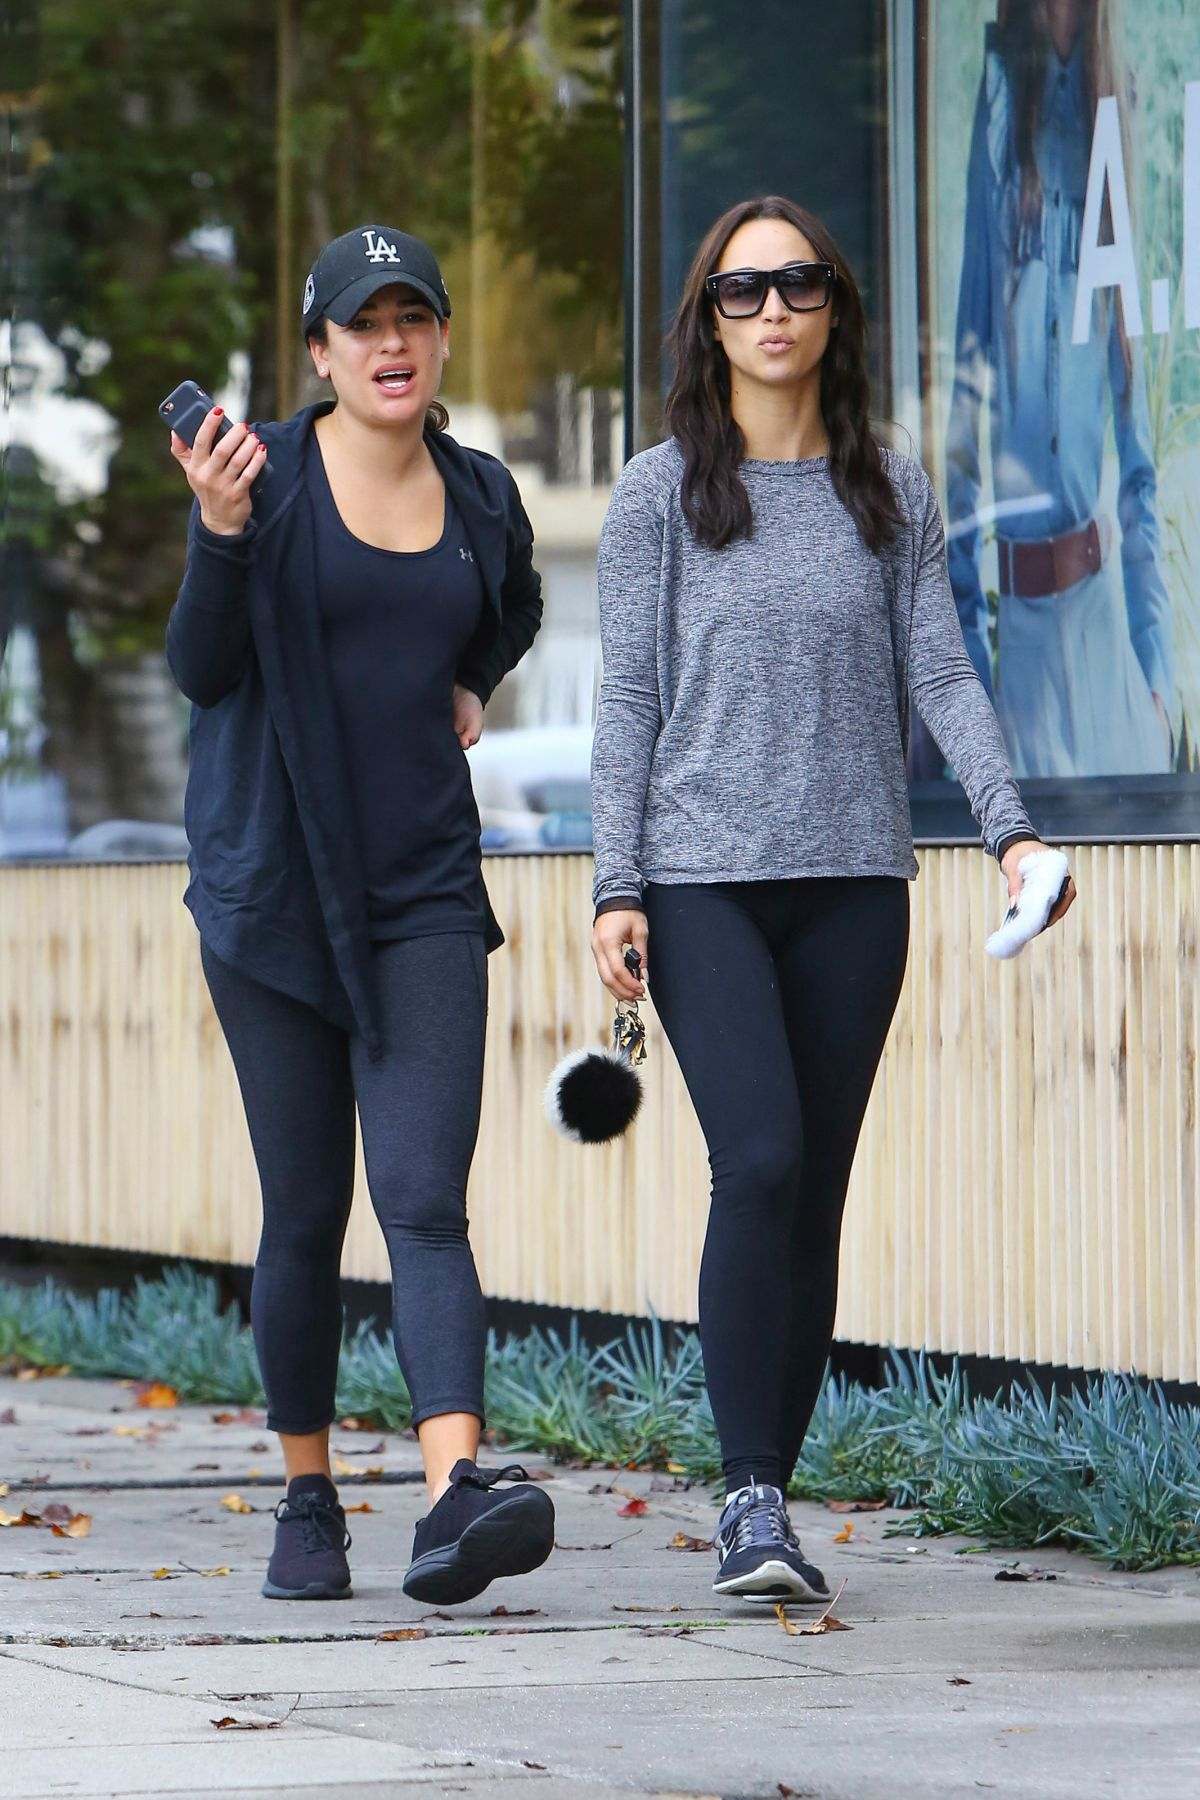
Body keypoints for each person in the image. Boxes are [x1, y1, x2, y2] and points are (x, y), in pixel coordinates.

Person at [589, 195, 1076, 1604]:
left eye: (799, 285)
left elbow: (941, 676)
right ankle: (745, 1499)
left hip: (859, 882)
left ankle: (773, 1497)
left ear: (834, 309)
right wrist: (615, 884)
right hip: (701, 883)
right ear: (710, 320)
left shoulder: (892, 486)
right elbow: (626, 699)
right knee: (760, 1160)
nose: (775, 310)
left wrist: (1014, 834)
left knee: (817, 1195)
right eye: (743, 292)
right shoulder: (656, 492)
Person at [166, 224, 554, 1607]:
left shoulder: (484, 495)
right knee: (303, 1210)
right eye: (363, 324)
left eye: (415, 319)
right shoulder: (258, 485)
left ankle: (454, 1495)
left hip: (425, 894)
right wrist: (216, 536)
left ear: (439, 343)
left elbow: (513, 609)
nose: (392, 344)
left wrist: (473, 683)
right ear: (320, 354)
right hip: (272, 894)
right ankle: (308, 1495)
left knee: (425, 1200)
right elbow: (200, 667)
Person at [946, 0, 1174, 777]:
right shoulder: (999, 102)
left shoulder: (1117, 98)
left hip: (1108, 632)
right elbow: (962, 411)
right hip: (1025, 660)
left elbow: (1137, 451)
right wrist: (972, 671)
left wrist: (1160, 679)